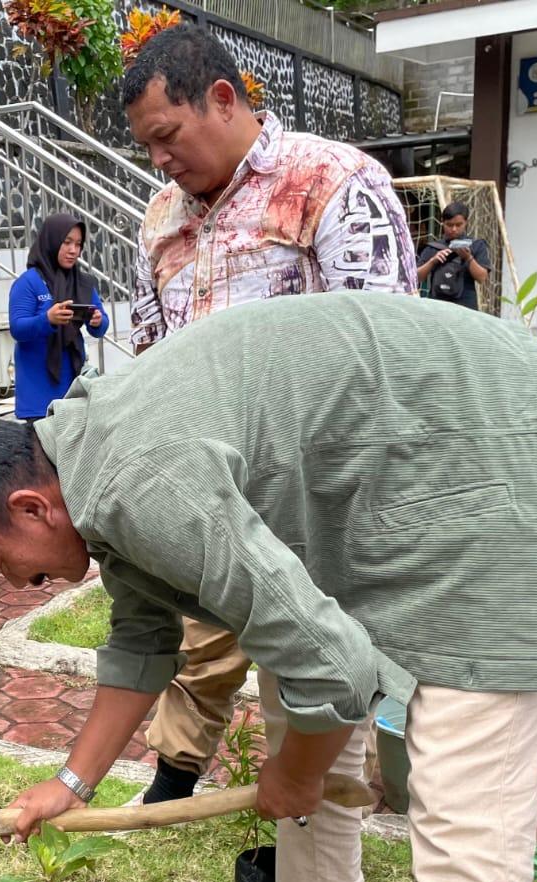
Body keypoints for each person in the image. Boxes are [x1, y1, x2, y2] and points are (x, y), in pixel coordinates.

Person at [0, 292, 537, 882]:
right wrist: (72, 784)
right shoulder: (84, 464)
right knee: (297, 725)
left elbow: (334, 674)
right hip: (373, 472)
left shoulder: (139, 484)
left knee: (460, 802)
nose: (14, 584)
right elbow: (142, 638)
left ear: (32, 507)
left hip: (482, 431)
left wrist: (298, 772)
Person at [119, 23, 418, 808]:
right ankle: (176, 781)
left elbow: (382, 355)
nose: (159, 159)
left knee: (318, 680)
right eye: (147, 146)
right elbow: (152, 360)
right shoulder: (159, 222)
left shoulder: (331, 182)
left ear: (223, 99)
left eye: (166, 136)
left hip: (316, 502)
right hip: (215, 496)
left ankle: (339, 804)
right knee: (203, 643)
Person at [8, 214, 110, 420]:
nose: (73, 250)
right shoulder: (29, 283)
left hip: (72, 387)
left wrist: (98, 321)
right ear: (52, 241)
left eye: (78, 244)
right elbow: (17, 328)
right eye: (67, 242)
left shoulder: (82, 282)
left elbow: (100, 324)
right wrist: (47, 319)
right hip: (38, 391)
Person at [416, 201, 491, 311]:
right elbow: (416, 277)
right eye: (449, 225)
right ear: (443, 223)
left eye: (458, 225)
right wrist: (433, 261)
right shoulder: (433, 247)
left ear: (466, 222)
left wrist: (468, 258)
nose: (454, 229)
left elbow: (482, 278)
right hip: (437, 308)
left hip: (465, 309)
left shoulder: (476, 245)